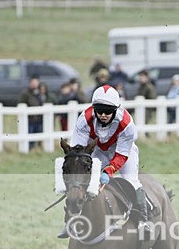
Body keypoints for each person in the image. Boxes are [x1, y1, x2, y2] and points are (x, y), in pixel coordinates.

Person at [58, 85, 148, 237]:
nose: (103, 115)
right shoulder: (84, 119)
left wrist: (109, 170)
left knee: (132, 181)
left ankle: (144, 222)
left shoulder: (126, 124)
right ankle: (71, 221)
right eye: (99, 110)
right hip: (97, 149)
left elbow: (121, 154)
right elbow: (79, 150)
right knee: (80, 183)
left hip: (124, 151)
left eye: (108, 111)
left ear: (116, 110)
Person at [19, 75, 44, 149]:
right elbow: (21, 104)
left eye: (36, 82)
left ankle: (36, 149)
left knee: (39, 135)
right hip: (30, 120)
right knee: (30, 137)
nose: (34, 84)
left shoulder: (40, 93)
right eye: (33, 82)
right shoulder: (25, 93)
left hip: (39, 119)